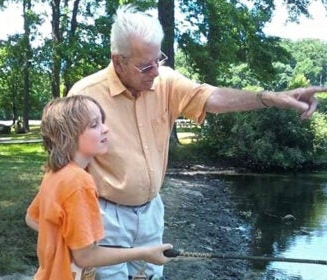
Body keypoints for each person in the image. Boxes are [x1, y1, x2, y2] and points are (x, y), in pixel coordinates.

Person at [67, 5, 327, 279]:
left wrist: (271, 98)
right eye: (145, 66)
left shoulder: (165, 81)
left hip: (151, 212)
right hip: (103, 215)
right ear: (118, 61)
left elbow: (212, 98)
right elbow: (64, 171)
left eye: (159, 60)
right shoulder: (83, 97)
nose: (155, 71)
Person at [25, 95, 173, 280]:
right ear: (68, 136)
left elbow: (32, 218)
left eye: (102, 122)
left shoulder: (55, 174)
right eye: (94, 125)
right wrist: (143, 253)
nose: (105, 129)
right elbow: (86, 256)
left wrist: (68, 239)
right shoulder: (79, 182)